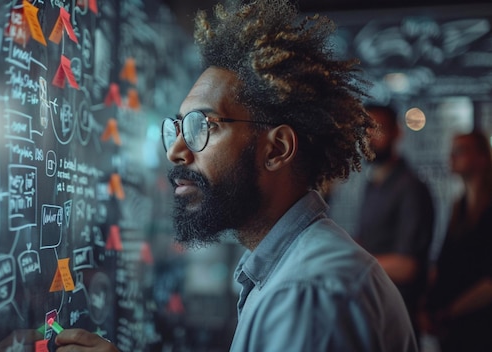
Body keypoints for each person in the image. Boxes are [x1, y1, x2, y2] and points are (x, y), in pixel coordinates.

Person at [53, 0, 417, 350]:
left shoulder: (306, 293)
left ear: (276, 149)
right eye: (177, 127)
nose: (175, 151)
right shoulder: (291, 269)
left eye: (202, 126)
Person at [353, 104, 435, 346]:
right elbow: (364, 241)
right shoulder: (372, 185)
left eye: (378, 130)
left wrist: (349, 262)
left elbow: (407, 266)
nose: (370, 138)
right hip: (371, 309)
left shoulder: (410, 188)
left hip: (398, 314)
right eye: (365, 131)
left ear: (397, 132)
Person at [423, 131, 492, 352]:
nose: (451, 157)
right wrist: (427, 307)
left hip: (480, 326)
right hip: (453, 327)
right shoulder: (458, 207)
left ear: (482, 158)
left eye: (460, 151)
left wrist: (449, 312)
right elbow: (444, 263)